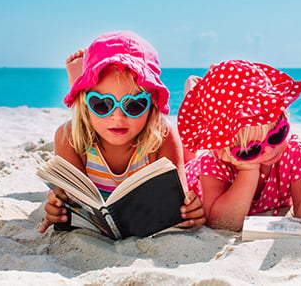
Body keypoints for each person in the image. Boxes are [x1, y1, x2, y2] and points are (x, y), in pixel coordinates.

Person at [39, 31, 205, 233]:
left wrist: (189, 211)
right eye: (101, 104)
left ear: (152, 104)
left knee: (192, 162)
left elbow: (180, 203)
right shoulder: (69, 137)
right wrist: (56, 210)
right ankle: (81, 85)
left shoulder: (163, 135)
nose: (118, 117)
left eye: (134, 104)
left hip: (155, 144)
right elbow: (68, 200)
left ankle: (193, 107)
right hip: (89, 144)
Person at [177, 60, 301, 231]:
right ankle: (195, 97)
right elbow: (221, 224)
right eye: (251, 149)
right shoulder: (214, 163)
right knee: (186, 161)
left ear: (284, 117)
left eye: (277, 135)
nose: (269, 149)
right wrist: (248, 170)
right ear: (225, 149)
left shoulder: (295, 151)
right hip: (192, 178)